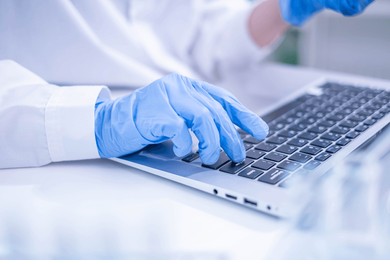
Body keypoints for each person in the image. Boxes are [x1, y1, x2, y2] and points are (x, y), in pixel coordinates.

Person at [0, 0, 374, 169]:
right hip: (49, 150)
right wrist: (100, 121)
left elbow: (204, 35)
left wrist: (285, 7)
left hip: (182, 125)